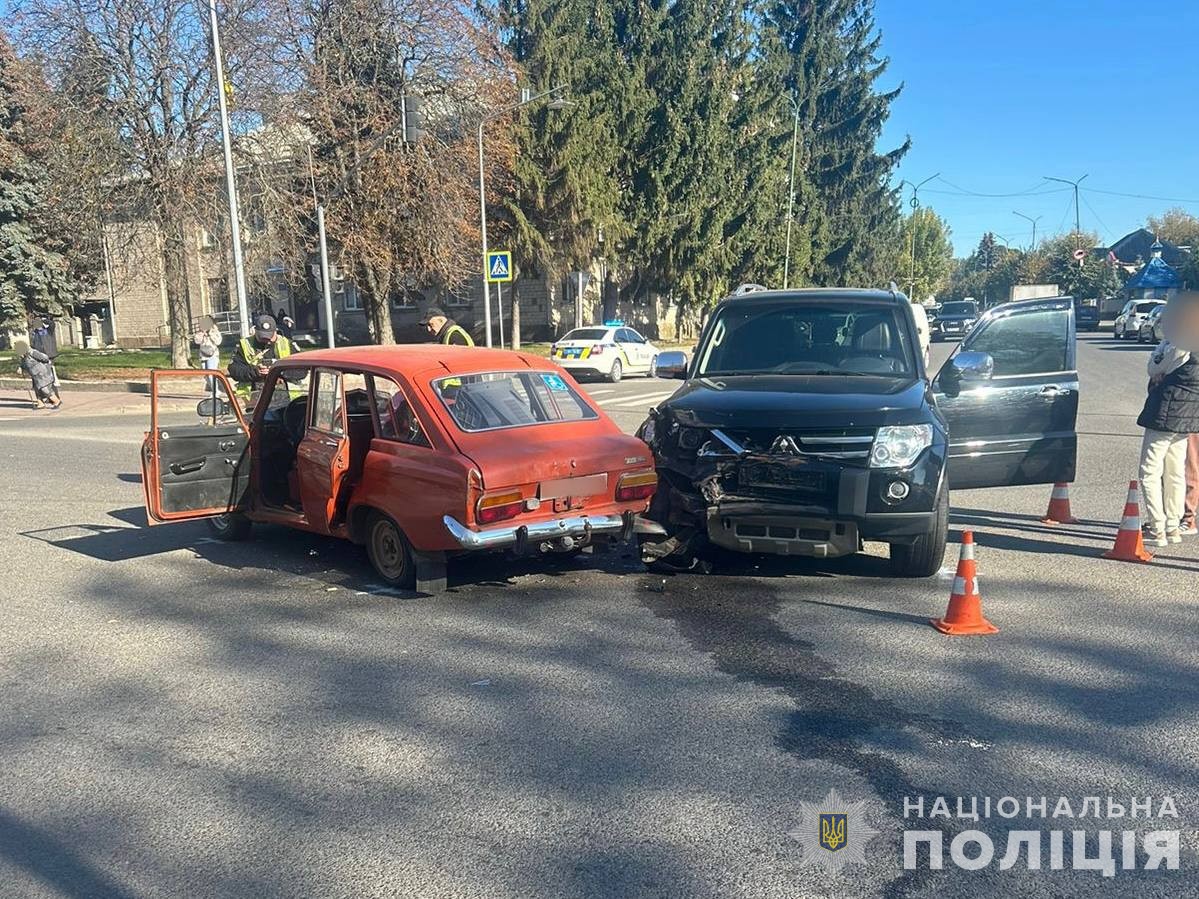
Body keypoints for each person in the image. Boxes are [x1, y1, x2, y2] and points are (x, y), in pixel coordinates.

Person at [1137, 291, 1199, 546]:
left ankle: (1157, 526)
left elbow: (1155, 368)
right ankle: (1172, 526)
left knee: (1150, 470)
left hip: (1166, 412)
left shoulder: (1180, 342)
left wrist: (1159, 368)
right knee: (1175, 471)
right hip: (1189, 416)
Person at [228, 315, 296, 408]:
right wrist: (255, 372)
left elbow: (302, 371)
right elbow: (234, 369)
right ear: (255, 330)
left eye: (269, 336)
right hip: (254, 401)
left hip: (286, 401)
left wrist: (279, 372)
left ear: (276, 331)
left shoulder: (288, 344)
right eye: (262, 337)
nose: (266, 340)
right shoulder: (244, 345)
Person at [12, 338, 61, 410]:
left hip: (43, 374)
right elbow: (23, 364)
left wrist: (46, 365)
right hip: (35, 375)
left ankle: (56, 401)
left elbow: (45, 358)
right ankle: (40, 403)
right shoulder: (24, 356)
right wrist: (20, 368)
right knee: (37, 389)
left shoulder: (32, 352)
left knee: (44, 389)